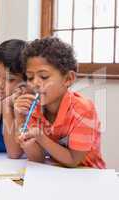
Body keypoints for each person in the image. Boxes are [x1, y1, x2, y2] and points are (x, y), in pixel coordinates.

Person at [14, 37, 105, 168]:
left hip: (89, 175)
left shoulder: (83, 110)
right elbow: (37, 158)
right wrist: (20, 118)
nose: (35, 83)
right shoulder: (35, 110)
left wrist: (41, 137)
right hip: (58, 175)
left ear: (68, 79)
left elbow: (73, 160)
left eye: (44, 77)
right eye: (30, 77)